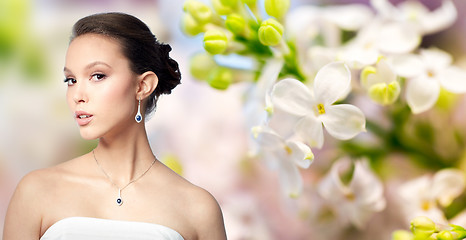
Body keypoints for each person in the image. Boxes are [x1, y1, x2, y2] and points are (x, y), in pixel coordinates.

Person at [3, 12, 227, 240]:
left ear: (143, 85)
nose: (77, 95)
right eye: (71, 80)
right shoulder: (37, 191)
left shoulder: (198, 208)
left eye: (97, 76)